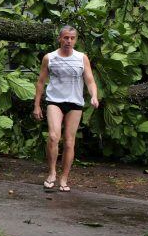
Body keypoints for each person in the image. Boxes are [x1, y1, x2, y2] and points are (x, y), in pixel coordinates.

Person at [32, 25, 99, 192]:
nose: (69, 41)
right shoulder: (49, 58)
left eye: (72, 38)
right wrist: (37, 105)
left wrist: (94, 96)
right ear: (60, 39)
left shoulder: (82, 58)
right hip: (55, 100)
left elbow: (90, 80)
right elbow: (40, 82)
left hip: (75, 103)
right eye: (66, 38)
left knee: (69, 142)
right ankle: (52, 172)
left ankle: (64, 178)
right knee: (54, 137)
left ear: (75, 40)